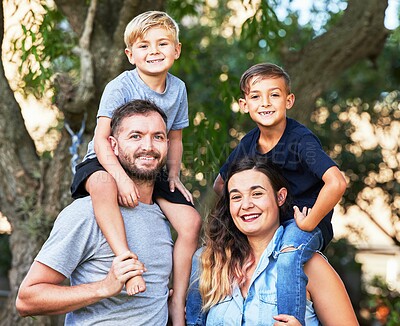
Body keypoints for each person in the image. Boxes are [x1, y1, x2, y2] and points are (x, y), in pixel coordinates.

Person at [70, 11, 201, 325]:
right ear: (130, 54)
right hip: (106, 161)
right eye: (143, 46)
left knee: (190, 221)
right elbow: (102, 140)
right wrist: (118, 178)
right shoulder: (120, 86)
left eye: (162, 44)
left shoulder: (178, 89)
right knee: (102, 186)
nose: (153, 51)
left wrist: (172, 176)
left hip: (148, 167)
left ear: (177, 50)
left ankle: (177, 302)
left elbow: (175, 137)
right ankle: (125, 262)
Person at [16, 100, 174, 325]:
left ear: (167, 144)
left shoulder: (162, 215)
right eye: (135, 136)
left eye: (157, 137)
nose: (148, 146)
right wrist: (104, 287)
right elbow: (27, 299)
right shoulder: (86, 213)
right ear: (113, 145)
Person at [212, 63, 347, 325]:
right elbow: (221, 185)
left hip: (304, 222)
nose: (265, 102)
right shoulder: (249, 143)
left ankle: (289, 319)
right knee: (203, 257)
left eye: (274, 95)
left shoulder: (300, 140)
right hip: (275, 225)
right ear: (244, 104)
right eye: (255, 96)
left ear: (289, 100)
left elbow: (337, 183)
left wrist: (309, 222)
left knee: (288, 256)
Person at [191, 156, 358, 325]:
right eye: (236, 197)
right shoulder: (211, 264)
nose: (246, 204)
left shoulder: (309, 265)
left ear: (280, 197)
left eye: (257, 194)